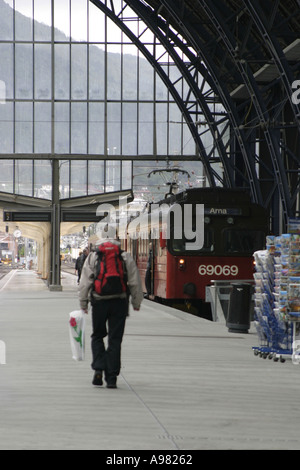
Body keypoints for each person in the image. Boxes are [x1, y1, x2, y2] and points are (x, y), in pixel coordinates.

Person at [78, 225, 143, 389]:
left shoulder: (93, 255)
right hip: (119, 302)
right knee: (115, 339)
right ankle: (112, 377)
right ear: (116, 236)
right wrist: (136, 302)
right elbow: (135, 282)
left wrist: (83, 303)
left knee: (98, 335)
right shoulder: (124, 255)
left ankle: (98, 369)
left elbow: (85, 282)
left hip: (99, 302)